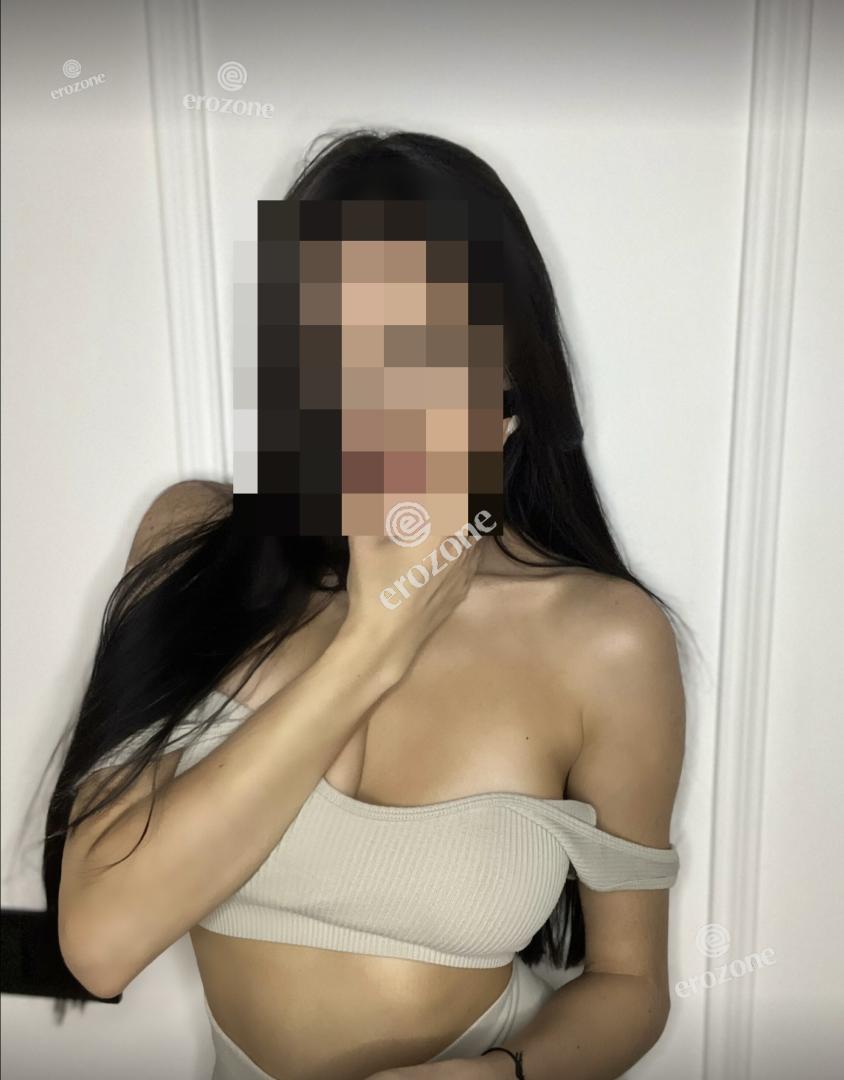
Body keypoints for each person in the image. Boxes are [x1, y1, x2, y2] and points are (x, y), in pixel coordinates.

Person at [45, 130, 687, 1080]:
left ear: (507, 370)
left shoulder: (606, 641)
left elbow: (631, 985)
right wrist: (374, 645)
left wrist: (498, 1078)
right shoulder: (197, 544)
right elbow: (99, 944)